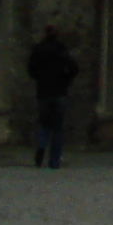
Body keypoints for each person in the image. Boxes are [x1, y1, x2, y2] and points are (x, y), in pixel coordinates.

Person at [27, 24, 79, 168]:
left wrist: (40, 78)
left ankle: (41, 145)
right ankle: (54, 160)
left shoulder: (38, 49)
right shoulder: (61, 50)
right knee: (57, 127)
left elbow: (31, 70)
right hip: (59, 92)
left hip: (43, 91)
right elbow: (74, 68)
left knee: (44, 123)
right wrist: (66, 79)